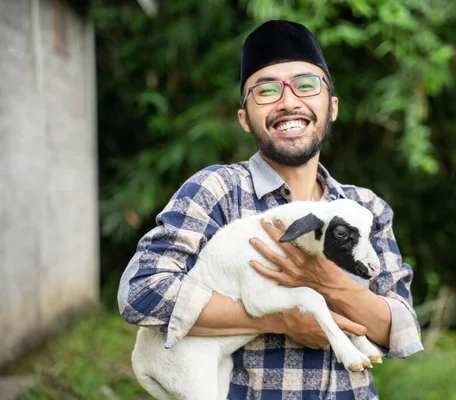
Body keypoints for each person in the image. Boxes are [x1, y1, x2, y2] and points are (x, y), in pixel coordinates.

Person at [118, 19, 423, 399]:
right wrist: (282, 319)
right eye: (266, 90)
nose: (289, 101)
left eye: (306, 85)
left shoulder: (366, 207)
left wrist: (326, 282)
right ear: (245, 118)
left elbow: (400, 328)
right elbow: (141, 293)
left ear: (332, 107)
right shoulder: (217, 191)